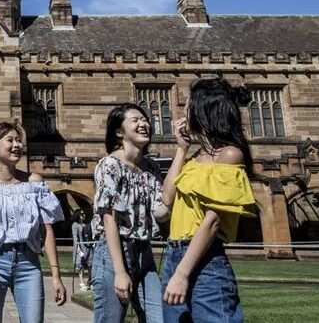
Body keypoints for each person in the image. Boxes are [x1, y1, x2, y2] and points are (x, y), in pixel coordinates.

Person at [159, 79, 257, 323]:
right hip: (174, 255)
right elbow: (167, 199)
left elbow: (212, 222)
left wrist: (182, 274)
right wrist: (181, 149)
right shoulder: (194, 158)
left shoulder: (230, 154)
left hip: (205, 263)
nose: (184, 110)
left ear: (203, 110)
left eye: (188, 105)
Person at [0, 122, 67, 323]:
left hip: (28, 262)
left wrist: (56, 276)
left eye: (18, 140)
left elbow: (46, 230)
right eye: (10, 140)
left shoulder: (34, 183)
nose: (17, 145)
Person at [90, 104, 166, 323]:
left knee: (160, 318)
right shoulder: (110, 165)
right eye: (135, 120)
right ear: (119, 131)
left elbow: (160, 213)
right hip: (113, 252)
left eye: (144, 120)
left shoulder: (152, 168)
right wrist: (120, 272)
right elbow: (109, 218)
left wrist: (181, 152)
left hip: (144, 252)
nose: (143, 124)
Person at [71, 210, 91, 292]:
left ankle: (90, 281)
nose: (84, 215)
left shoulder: (85, 224)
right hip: (80, 247)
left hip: (88, 247)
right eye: (82, 214)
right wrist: (78, 248)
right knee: (80, 265)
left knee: (90, 264)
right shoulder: (75, 225)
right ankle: (81, 283)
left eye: (84, 213)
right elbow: (75, 237)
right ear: (78, 215)